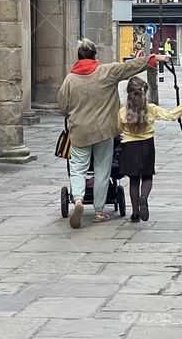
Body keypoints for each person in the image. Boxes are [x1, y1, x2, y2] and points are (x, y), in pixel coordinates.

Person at [57, 38, 170, 228]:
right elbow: (130, 66)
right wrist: (155, 58)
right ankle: (99, 211)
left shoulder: (70, 79)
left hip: (80, 132)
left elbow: (62, 106)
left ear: (78, 57)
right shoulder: (106, 71)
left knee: (77, 167)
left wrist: (72, 113)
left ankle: (77, 198)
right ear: (95, 55)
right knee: (102, 169)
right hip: (104, 131)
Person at [118, 76, 182, 222]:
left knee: (134, 181)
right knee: (147, 177)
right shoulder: (151, 109)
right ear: (144, 93)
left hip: (129, 147)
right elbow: (171, 115)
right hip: (147, 146)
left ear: (128, 93)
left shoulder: (123, 111)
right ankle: (144, 197)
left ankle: (135, 214)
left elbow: (117, 128)